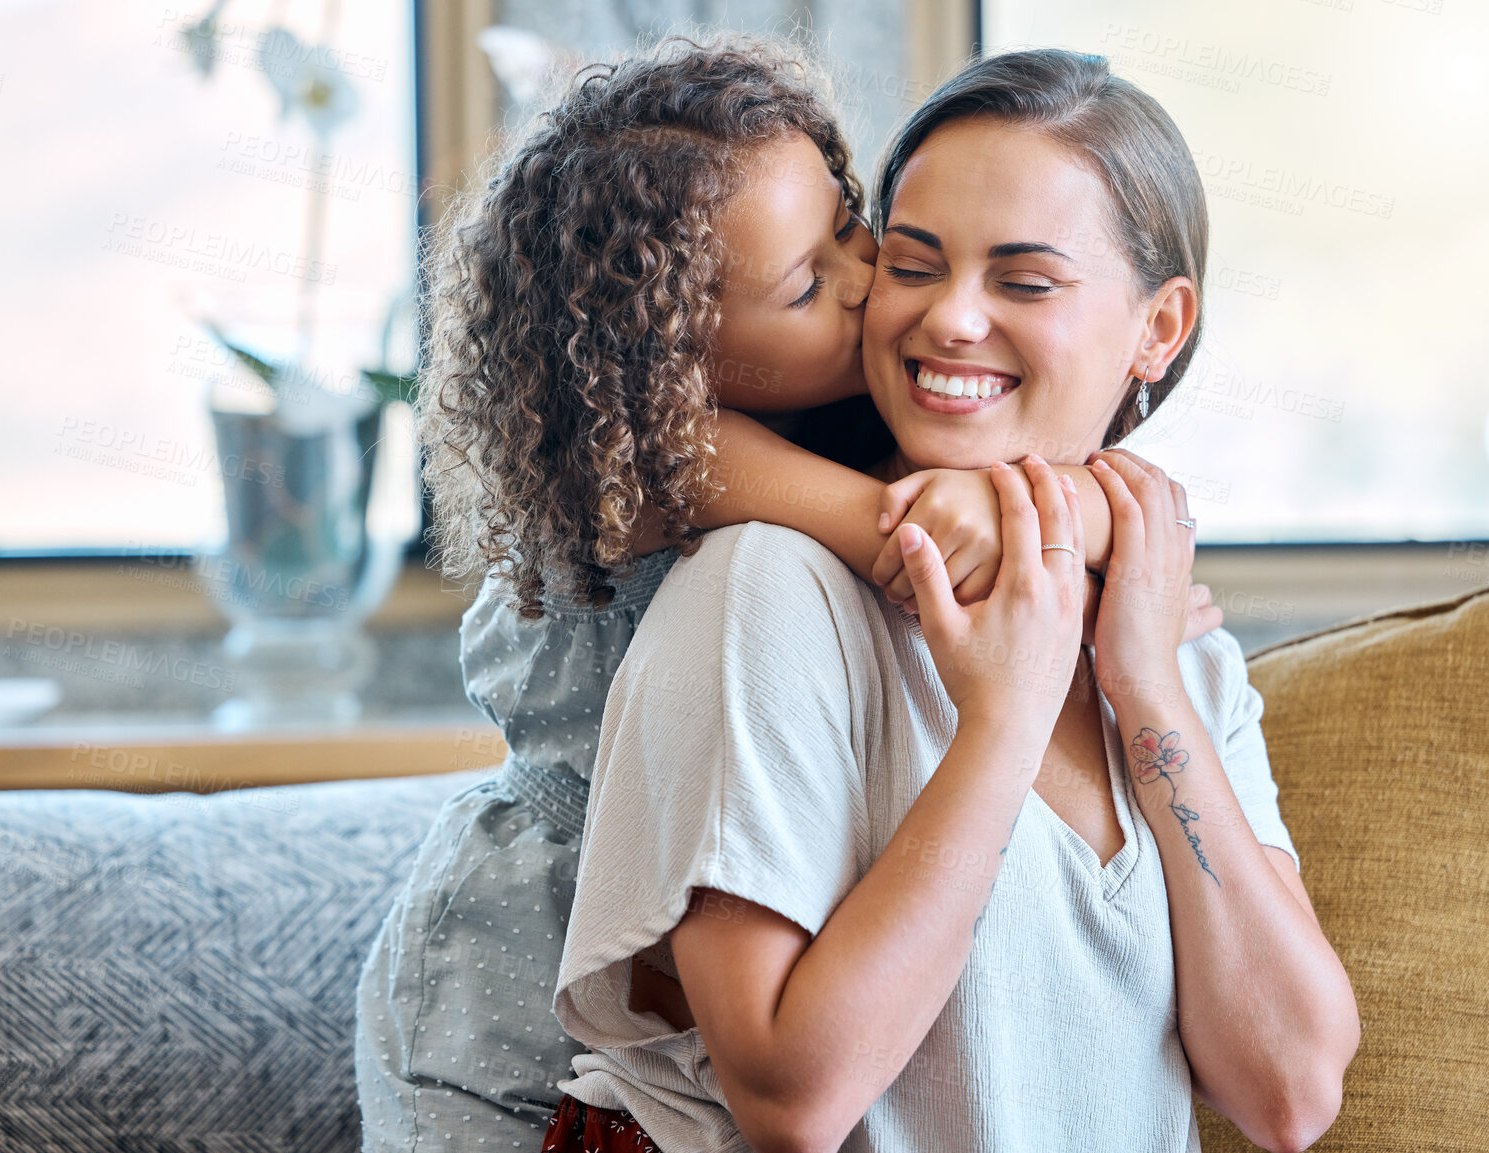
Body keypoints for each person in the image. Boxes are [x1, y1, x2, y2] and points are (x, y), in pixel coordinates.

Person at [353, 38, 1179, 1152]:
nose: (866, 278)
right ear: (674, 358)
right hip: (511, 975)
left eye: (847, 221)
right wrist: (957, 531)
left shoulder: (828, 408)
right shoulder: (653, 462)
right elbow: (893, 531)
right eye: (807, 285)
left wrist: (1072, 522)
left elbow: (1126, 505)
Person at [550, 49, 1360, 1153]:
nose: (951, 323)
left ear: (1158, 330)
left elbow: (1292, 1093)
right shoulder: (765, 588)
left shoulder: (1171, 641)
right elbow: (791, 1099)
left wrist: (1147, 687)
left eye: (1024, 282)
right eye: (916, 264)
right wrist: (1008, 714)